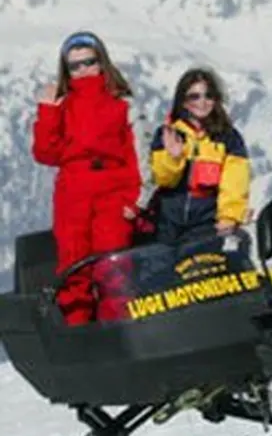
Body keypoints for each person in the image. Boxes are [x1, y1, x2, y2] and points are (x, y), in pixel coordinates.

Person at [32, 30, 142, 325]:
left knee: (113, 264)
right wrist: (48, 111)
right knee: (73, 264)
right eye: (74, 66)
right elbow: (45, 153)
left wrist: (134, 200)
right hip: (73, 192)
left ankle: (116, 328)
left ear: (102, 61)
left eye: (89, 62)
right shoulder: (62, 105)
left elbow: (138, 155)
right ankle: (78, 330)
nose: (83, 70)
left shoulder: (122, 102)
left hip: (112, 189)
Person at [149, 67, 250, 246]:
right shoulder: (169, 133)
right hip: (167, 220)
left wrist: (229, 216)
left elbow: (235, 183)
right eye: (194, 96)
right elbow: (163, 179)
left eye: (208, 95)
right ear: (183, 101)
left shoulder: (228, 138)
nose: (202, 102)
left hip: (206, 221)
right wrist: (173, 158)